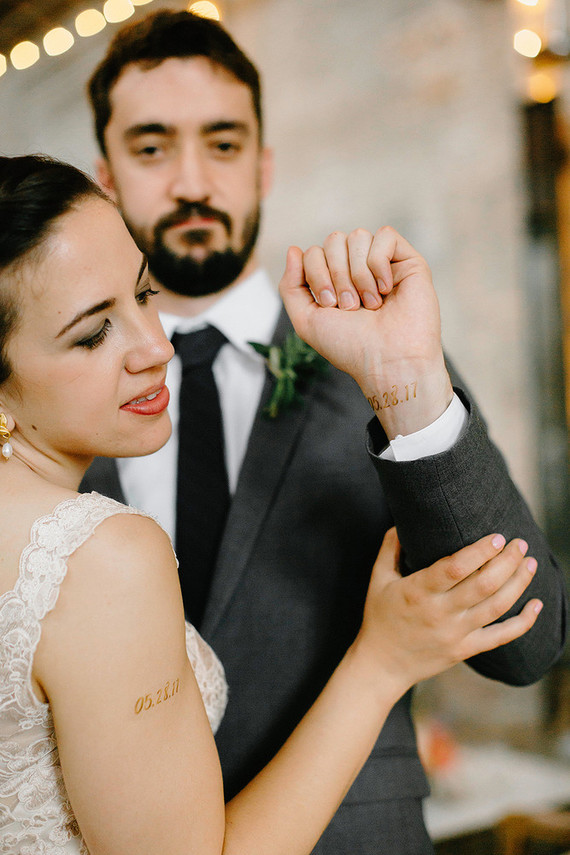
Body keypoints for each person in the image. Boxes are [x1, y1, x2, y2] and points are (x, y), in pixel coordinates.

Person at [82, 11, 568, 854]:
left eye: (224, 144)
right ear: (107, 174)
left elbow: (529, 644)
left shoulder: (376, 363)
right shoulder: (59, 389)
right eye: (153, 147)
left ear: (264, 166)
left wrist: (406, 388)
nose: (193, 180)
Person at [0, 152, 545, 854]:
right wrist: (380, 661)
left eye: (142, 294)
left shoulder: (343, 369)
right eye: (92, 332)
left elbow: (531, 630)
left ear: (264, 163)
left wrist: (409, 379)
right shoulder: (99, 556)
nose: (155, 346)